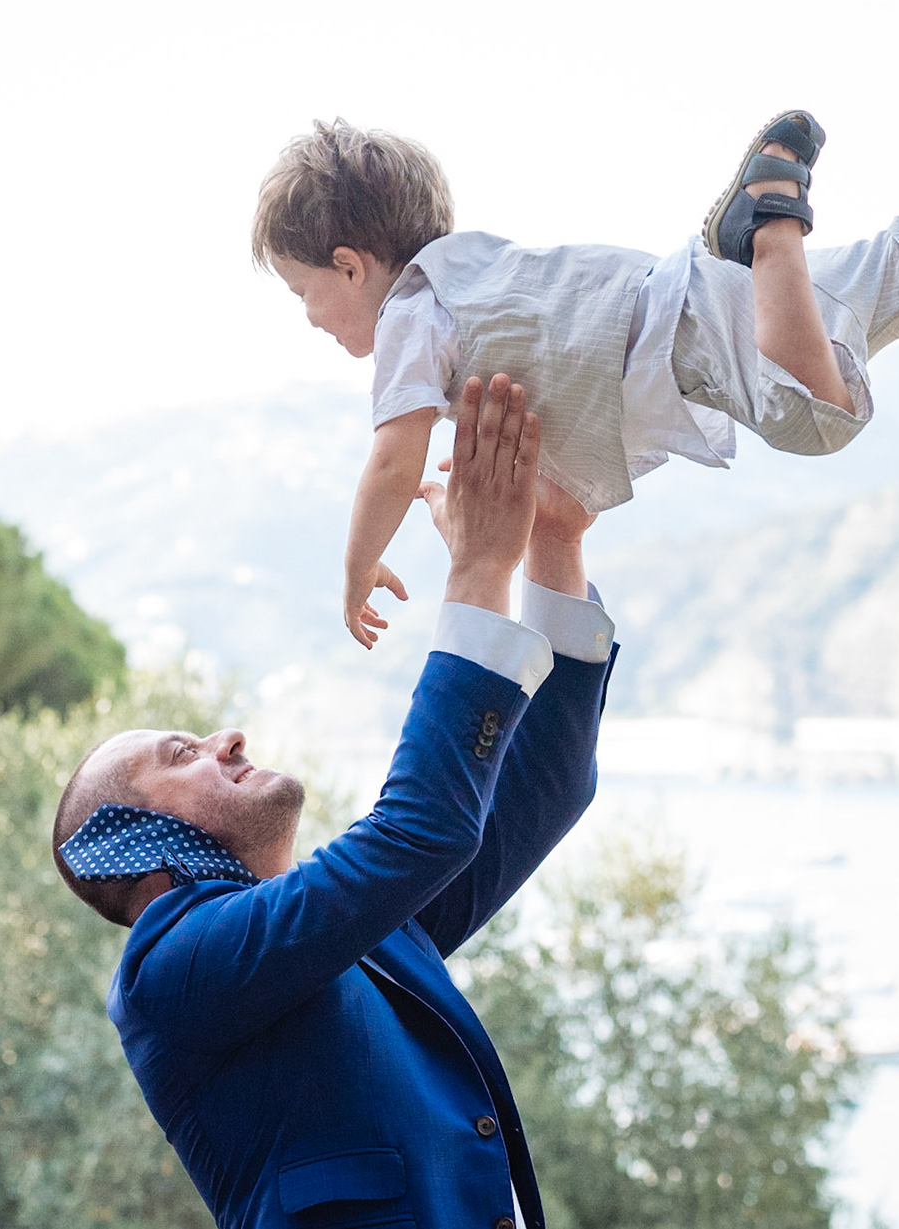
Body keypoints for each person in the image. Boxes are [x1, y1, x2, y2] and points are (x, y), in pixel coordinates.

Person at [251, 86, 899, 647]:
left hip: (690, 327)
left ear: (351, 266)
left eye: (303, 293)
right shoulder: (476, 266)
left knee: (816, 417)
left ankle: (772, 218)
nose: (310, 319)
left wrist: (357, 565)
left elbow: (392, 459)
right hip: (697, 291)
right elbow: (561, 393)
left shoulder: (412, 311)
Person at [52, 373, 614, 1228]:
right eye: (181, 753)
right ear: (131, 839)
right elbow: (420, 828)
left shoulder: (360, 936)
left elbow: (546, 788)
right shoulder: (169, 971)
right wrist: (477, 569)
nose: (226, 737)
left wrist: (553, 542)